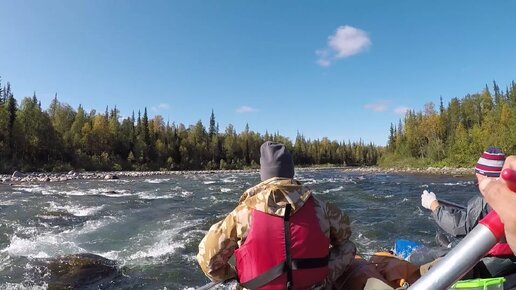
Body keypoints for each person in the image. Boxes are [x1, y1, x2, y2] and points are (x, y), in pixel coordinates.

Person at [197, 141, 356, 290]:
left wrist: (232, 276)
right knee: (349, 247)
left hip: (255, 287)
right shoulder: (321, 207)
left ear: (263, 174)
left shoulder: (242, 213)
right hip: (314, 286)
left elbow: (207, 259)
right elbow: (345, 237)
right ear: (291, 172)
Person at [420, 146, 516, 278]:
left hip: (488, 261)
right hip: (506, 259)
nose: (476, 183)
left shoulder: (485, 200)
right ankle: (448, 245)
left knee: (424, 260)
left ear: (488, 178)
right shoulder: (511, 195)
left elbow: (459, 225)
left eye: (477, 180)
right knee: (447, 243)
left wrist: (433, 205)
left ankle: (447, 246)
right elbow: (468, 218)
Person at [480, 155, 516, 254]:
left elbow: (459, 226)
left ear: (484, 176)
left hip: (490, 254)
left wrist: (434, 206)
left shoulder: (479, 203)